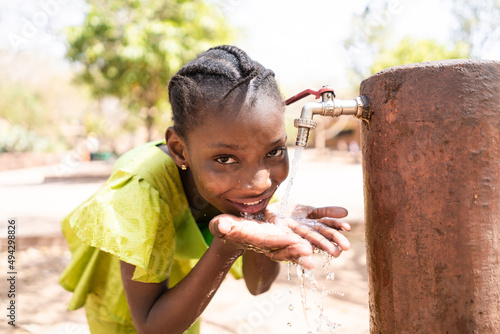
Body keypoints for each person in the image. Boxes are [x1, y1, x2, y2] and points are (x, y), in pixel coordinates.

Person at [59, 45, 351, 334]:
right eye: (225, 159)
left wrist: (264, 227)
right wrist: (228, 245)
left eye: (274, 152)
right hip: (124, 300)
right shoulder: (142, 191)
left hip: (180, 288)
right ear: (179, 150)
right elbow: (151, 326)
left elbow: (259, 286)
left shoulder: (249, 184)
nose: (261, 182)